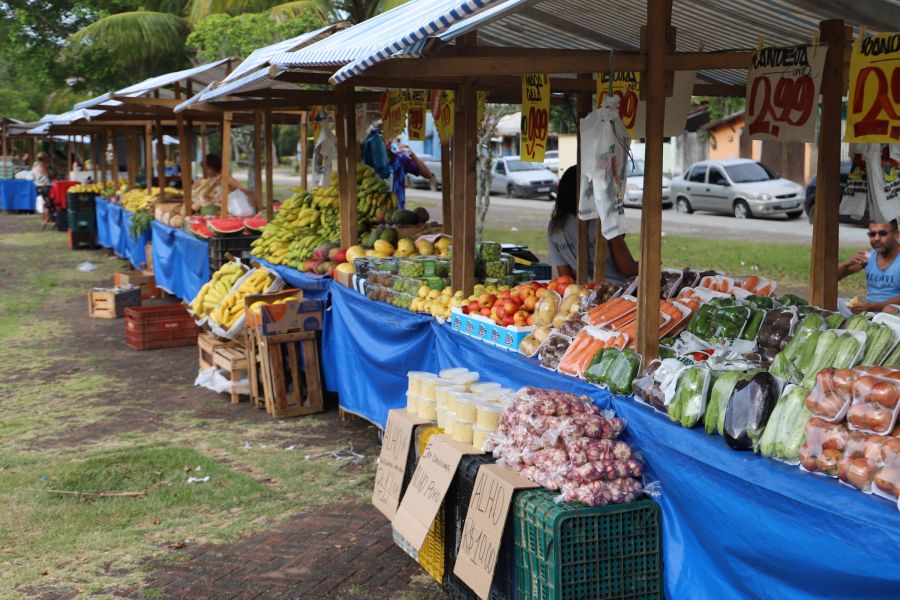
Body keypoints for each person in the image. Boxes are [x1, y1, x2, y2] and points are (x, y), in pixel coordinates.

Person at [547, 165, 639, 283]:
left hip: (584, 293)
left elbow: (566, 279)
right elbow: (628, 269)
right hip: (616, 292)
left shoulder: (555, 227)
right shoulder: (605, 218)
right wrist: (652, 264)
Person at [360, 124, 432, 209]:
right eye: (383, 137)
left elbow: (428, 174)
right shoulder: (369, 161)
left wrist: (412, 154)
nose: (388, 141)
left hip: (398, 214)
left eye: (390, 137)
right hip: (376, 213)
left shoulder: (401, 160)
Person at [838, 220, 900, 313]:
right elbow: (831, 279)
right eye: (872, 234)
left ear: (896, 234)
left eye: (882, 233)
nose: (876, 238)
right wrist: (847, 264)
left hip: (891, 310)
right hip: (869, 308)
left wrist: (875, 307)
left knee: (888, 310)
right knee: (834, 302)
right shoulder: (868, 256)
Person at [32, 152, 52, 224]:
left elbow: (33, 177)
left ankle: (43, 218)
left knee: (41, 202)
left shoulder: (34, 167)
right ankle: (46, 219)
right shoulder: (43, 166)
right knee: (47, 203)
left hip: (38, 186)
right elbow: (48, 174)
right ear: (44, 159)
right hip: (45, 186)